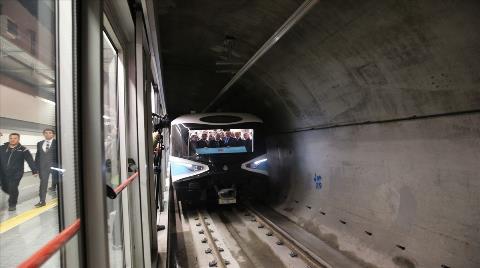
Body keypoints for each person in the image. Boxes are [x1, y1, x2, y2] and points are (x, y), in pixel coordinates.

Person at [0, 133, 38, 211]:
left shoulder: (23, 149)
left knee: (13, 187)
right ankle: (13, 194)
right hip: (3, 173)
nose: (12, 140)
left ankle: (12, 204)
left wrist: (34, 170)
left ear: (18, 139)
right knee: (5, 187)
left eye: (15, 138)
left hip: (16, 173)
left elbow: (30, 160)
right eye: (11, 138)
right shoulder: (2, 148)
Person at [34, 129, 58, 207]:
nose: (48, 134)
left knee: (59, 182)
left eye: (50, 133)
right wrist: (35, 168)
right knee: (43, 183)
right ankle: (42, 201)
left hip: (55, 166)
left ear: (53, 135)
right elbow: (38, 156)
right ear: (43, 134)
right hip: (43, 167)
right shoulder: (39, 143)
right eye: (46, 133)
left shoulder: (58, 143)